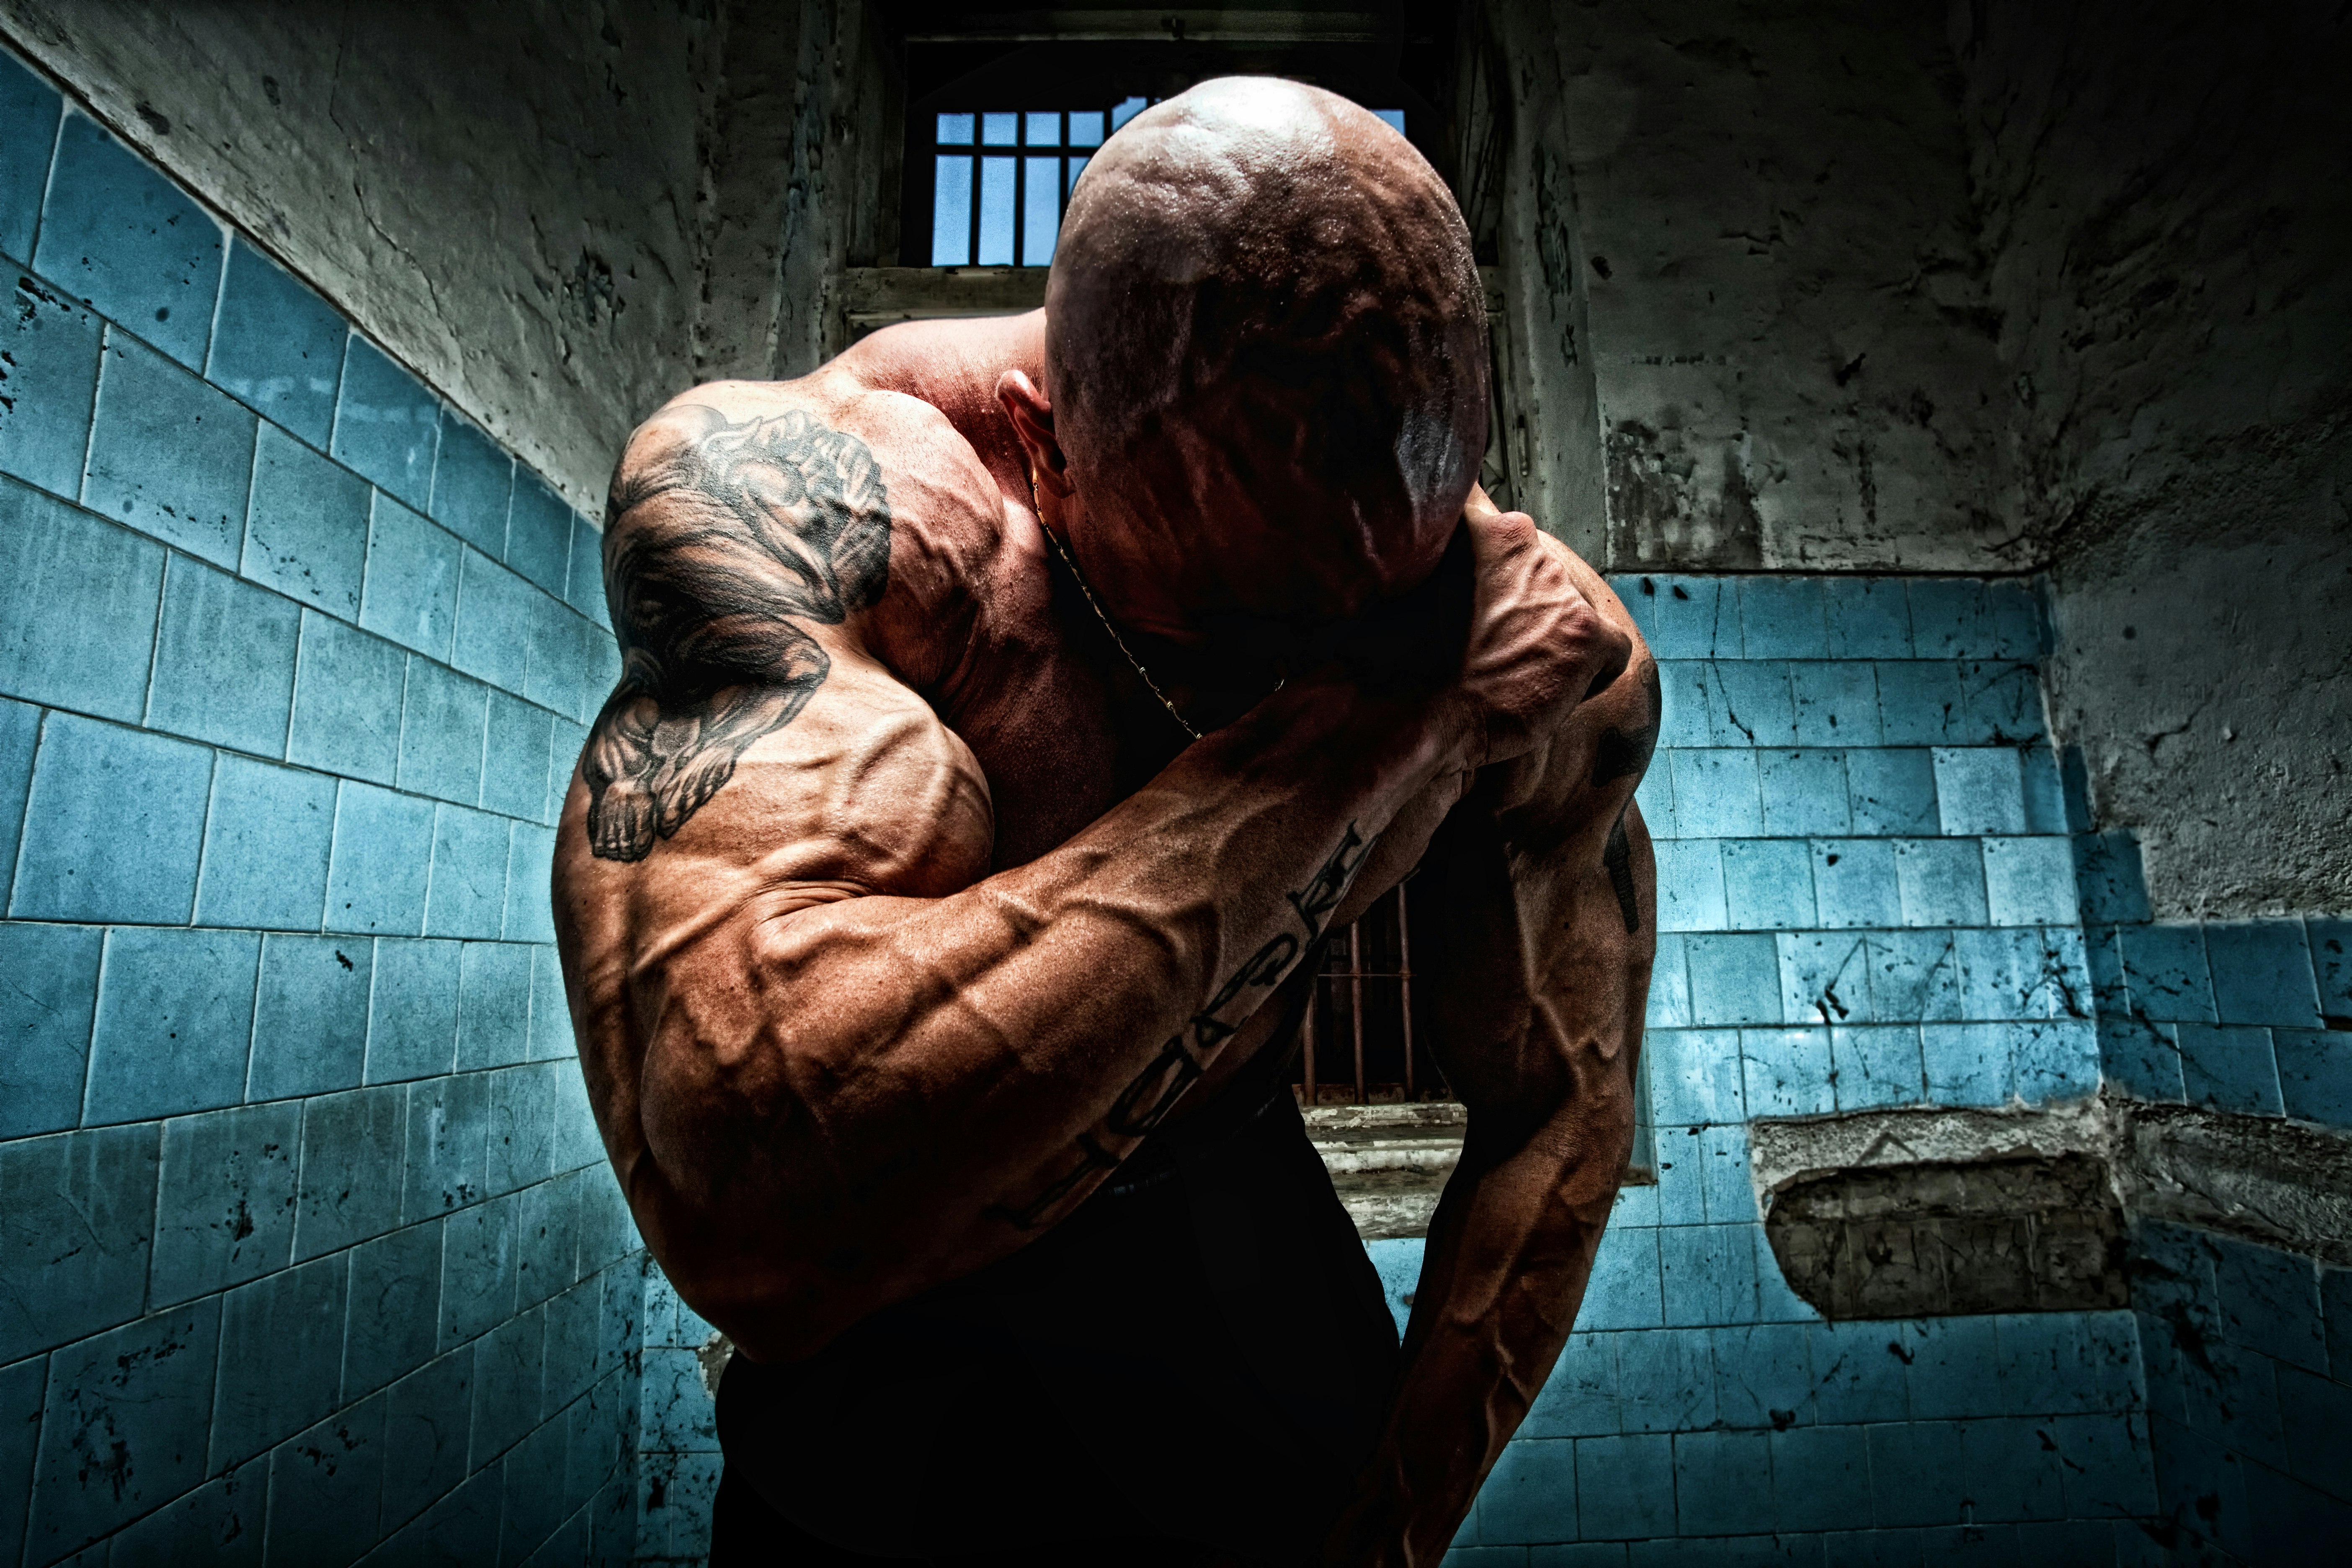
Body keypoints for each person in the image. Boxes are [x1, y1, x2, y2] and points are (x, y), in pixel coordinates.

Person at [551, 77, 1659, 1567]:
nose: (1273, 664)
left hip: (1248, 1294)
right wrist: (1372, 723)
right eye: (1223, 619)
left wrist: (1392, 1542)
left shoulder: (1511, 635)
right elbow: (749, 1202)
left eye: (1349, 619)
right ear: (1045, 440)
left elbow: (1558, 1106)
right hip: (899, 1385)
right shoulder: (818, 516)